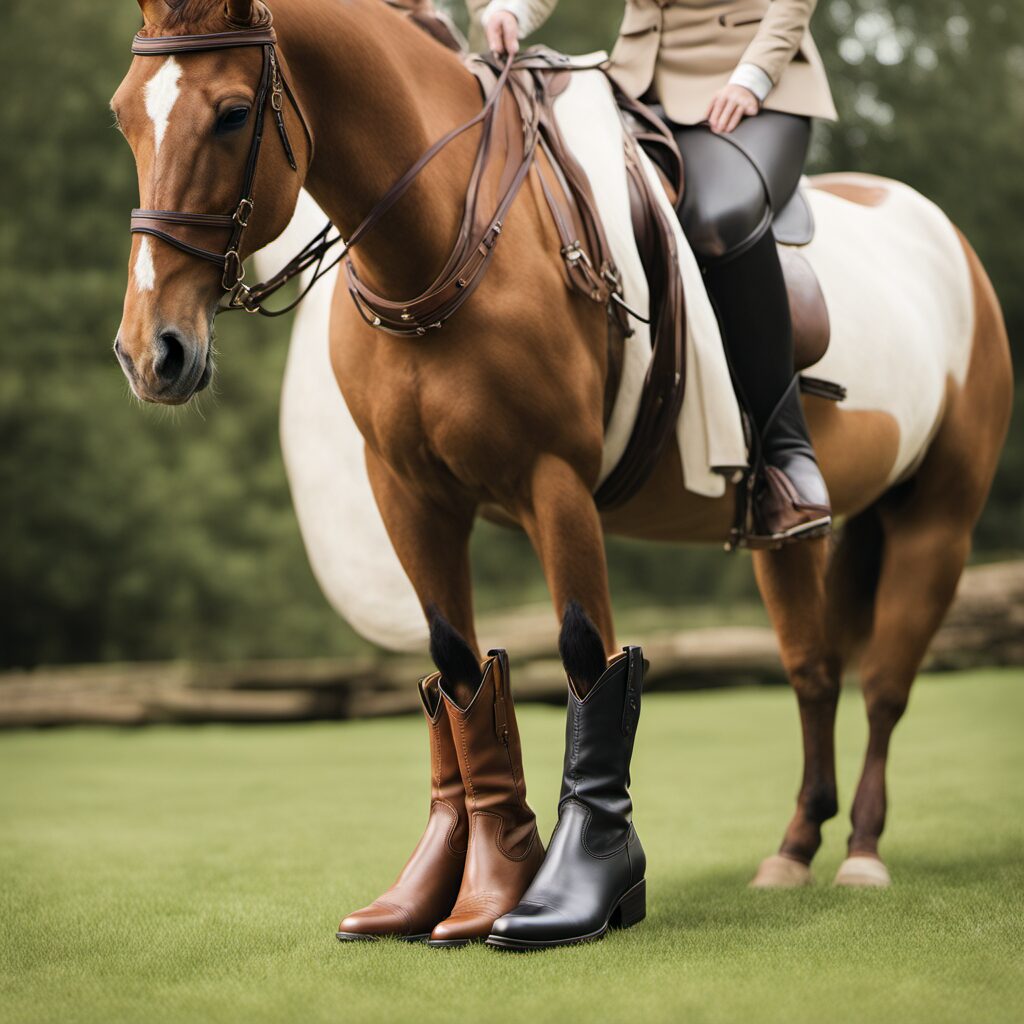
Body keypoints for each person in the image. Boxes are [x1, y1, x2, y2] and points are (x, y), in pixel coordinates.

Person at [475, 0, 838, 544]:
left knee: (718, 221)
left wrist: (753, 76)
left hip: (751, 84)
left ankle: (786, 454)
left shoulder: (756, 77)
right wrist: (515, 10)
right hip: (632, 87)